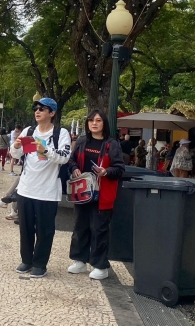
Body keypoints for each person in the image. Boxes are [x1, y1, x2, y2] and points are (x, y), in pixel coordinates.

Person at [9, 98, 71, 278]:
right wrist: (16, 146)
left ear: (52, 113)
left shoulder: (61, 133)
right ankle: (26, 260)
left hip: (48, 191)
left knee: (45, 230)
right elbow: (16, 154)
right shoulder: (29, 131)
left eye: (42, 109)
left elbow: (64, 157)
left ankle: (40, 263)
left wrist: (44, 149)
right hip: (26, 188)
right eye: (36, 108)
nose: (37, 112)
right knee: (25, 227)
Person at [66, 110, 125, 280]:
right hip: (82, 192)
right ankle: (79, 260)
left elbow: (120, 169)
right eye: (91, 120)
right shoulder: (82, 141)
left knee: (99, 229)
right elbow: (71, 160)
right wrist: (74, 168)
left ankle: (100, 265)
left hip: (102, 194)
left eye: (98, 120)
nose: (94, 123)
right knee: (80, 226)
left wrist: (106, 171)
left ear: (104, 123)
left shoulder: (111, 144)